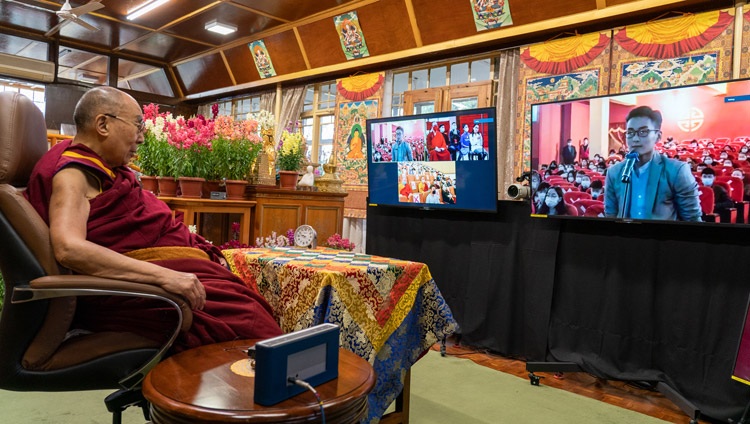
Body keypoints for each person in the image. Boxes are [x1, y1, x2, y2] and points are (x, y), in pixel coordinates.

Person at [24, 86, 282, 353]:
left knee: (251, 311)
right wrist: (167, 277)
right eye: (138, 126)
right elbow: (69, 248)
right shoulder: (74, 174)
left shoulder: (102, 169)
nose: (142, 138)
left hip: (164, 269)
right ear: (103, 124)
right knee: (253, 324)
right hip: (132, 292)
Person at [604, 106, 701, 221]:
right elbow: (611, 215)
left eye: (643, 132)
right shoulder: (614, 172)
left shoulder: (677, 171)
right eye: (630, 133)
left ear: (658, 136)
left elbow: (692, 219)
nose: (635, 139)